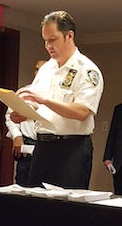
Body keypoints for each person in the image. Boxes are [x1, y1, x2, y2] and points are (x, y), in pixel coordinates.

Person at [10, 11, 104, 189]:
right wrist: (25, 115)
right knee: (37, 204)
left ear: (69, 36)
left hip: (71, 148)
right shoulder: (46, 69)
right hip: (43, 147)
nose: (48, 46)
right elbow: (38, 105)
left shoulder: (87, 70)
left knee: (67, 210)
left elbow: (82, 112)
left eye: (53, 40)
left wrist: (45, 101)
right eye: (45, 40)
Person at [4, 60, 46, 186]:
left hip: (45, 146)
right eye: (36, 69)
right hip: (27, 145)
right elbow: (10, 116)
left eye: (42, 70)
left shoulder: (54, 95)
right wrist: (16, 135)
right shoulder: (24, 92)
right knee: (22, 185)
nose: (38, 73)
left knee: (43, 187)